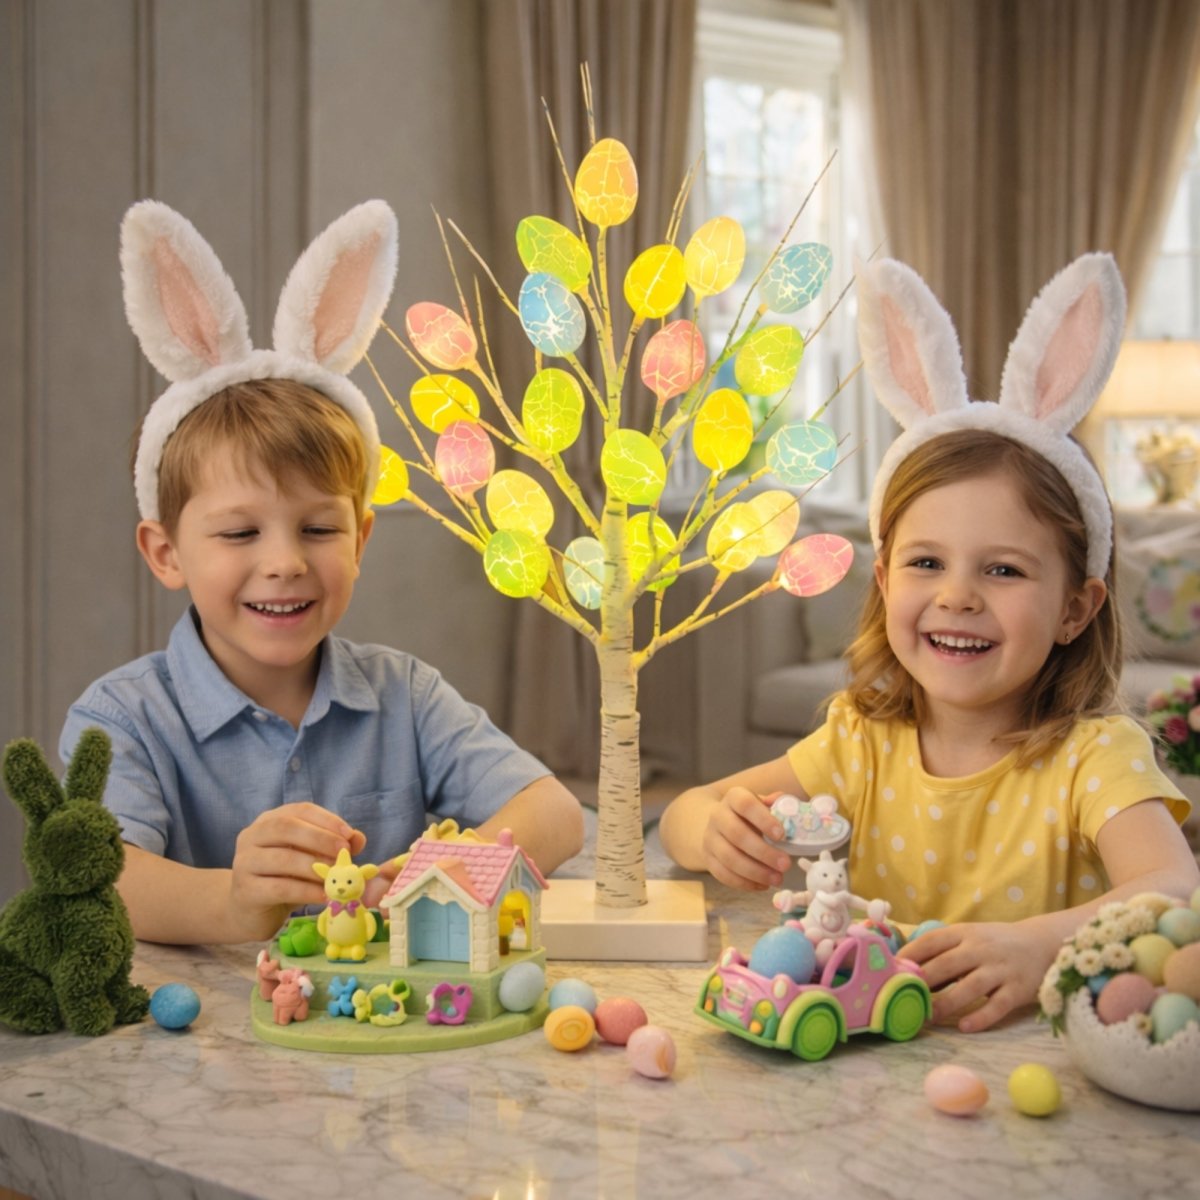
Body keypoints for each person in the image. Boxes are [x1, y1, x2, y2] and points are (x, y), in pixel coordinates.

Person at [661, 253, 1200, 1033]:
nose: (957, 595)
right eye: (926, 563)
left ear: (1075, 611)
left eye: (1004, 569)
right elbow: (685, 810)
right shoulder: (860, 741)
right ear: (883, 581)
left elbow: (1174, 889)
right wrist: (714, 833)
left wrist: (1039, 946)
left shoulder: (1095, 756)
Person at [59, 199, 584, 947]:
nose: (285, 562)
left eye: (319, 528)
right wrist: (235, 905)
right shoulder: (122, 719)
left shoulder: (406, 697)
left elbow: (555, 813)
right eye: (240, 532)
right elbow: (104, 880)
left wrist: (432, 879)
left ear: (361, 538)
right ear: (166, 552)